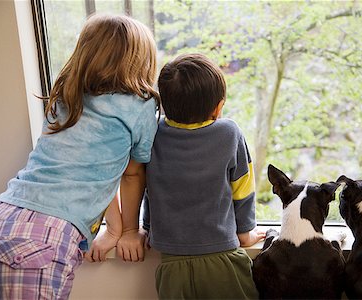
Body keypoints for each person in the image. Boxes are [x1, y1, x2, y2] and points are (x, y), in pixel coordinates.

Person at [0, 14, 159, 299]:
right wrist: (130, 230)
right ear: (139, 61)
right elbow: (129, 173)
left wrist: (113, 229)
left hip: (3, 211)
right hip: (45, 235)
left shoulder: (65, 95)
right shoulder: (139, 105)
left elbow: (98, 170)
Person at [92, 53, 265, 298]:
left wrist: (147, 228)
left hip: (171, 268)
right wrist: (245, 231)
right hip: (223, 261)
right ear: (217, 108)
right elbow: (243, 187)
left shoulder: (154, 134)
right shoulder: (229, 133)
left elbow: (147, 184)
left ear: (163, 104)